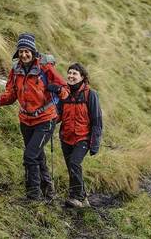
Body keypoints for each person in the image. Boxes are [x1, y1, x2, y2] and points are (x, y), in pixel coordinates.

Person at [0, 33, 68, 201]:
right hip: (26, 120)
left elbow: (65, 90)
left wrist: (58, 90)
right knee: (37, 155)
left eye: (27, 51)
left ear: (33, 51)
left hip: (46, 119)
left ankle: (33, 195)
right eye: (21, 51)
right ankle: (48, 192)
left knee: (30, 155)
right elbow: (11, 94)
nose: (24, 54)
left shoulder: (45, 68)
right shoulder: (15, 70)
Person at [56, 63, 103, 208]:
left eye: (75, 73)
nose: (71, 76)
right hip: (66, 137)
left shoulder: (90, 95)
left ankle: (77, 198)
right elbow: (57, 115)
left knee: (74, 164)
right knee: (71, 168)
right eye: (69, 73)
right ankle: (83, 198)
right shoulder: (64, 94)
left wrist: (94, 144)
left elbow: (97, 121)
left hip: (83, 138)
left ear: (82, 77)